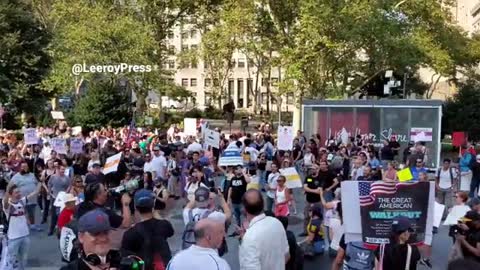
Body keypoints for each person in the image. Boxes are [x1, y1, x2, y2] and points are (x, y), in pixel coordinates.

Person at [121, 189, 174, 270]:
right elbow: (170, 231)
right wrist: (154, 211)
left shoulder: (130, 233)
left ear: (136, 207)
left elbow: (125, 256)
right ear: (153, 205)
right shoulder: (164, 225)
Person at [237, 189, 290, 270]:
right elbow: (286, 256)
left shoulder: (249, 238)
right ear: (263, 204)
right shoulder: (277, 223)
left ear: (245, 209)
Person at [2, 182, 45, 270]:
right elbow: (5, 202)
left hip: (25, 235)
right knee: (12, 261)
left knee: (23, 260)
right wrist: (7, 190)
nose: (19, 194)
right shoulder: (8, 206)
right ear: (11, 195)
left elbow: (35, 192)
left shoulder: (22, 201)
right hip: (13, 237)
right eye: (16, 192)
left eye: (19, 192)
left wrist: (41, 182)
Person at [9, 162, 41, 232]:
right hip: (21, 198)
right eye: (23, 167)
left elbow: (38, 183)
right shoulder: (16, 177)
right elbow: (10, 187)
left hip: (32, 198)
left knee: (32, 211)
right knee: (23, 213)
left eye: (26, 167)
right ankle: (23, 226)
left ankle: (32, 225)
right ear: (20, 168)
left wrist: (38, 191)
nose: (25, 168)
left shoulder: (32, 175)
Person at [48, 164, 72, 236]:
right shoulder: (53, 177)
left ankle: (60, 230)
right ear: (58, 170)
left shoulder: (67, 178)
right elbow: (49, 184)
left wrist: (66, 192)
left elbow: (69, 185)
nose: (63, 171)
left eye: (64, 170)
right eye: (61, 169)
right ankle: (51, 230)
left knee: (61, 214)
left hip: (63, 198)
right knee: (53, 214)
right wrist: (49, 193)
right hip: (55, 197)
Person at [301, 165, 322, 236]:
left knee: (318, 216)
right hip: (308, 200)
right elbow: (305, 188)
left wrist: (309, 190)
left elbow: (319, 190)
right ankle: (305, 231)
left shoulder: (320, 178)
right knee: (306, 216)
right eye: (311, 169)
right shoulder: (308, 177)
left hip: (318, 201)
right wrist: (314, 191)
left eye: (314, 169)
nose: (312, 171)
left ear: (317, 170)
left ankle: (318, 232)